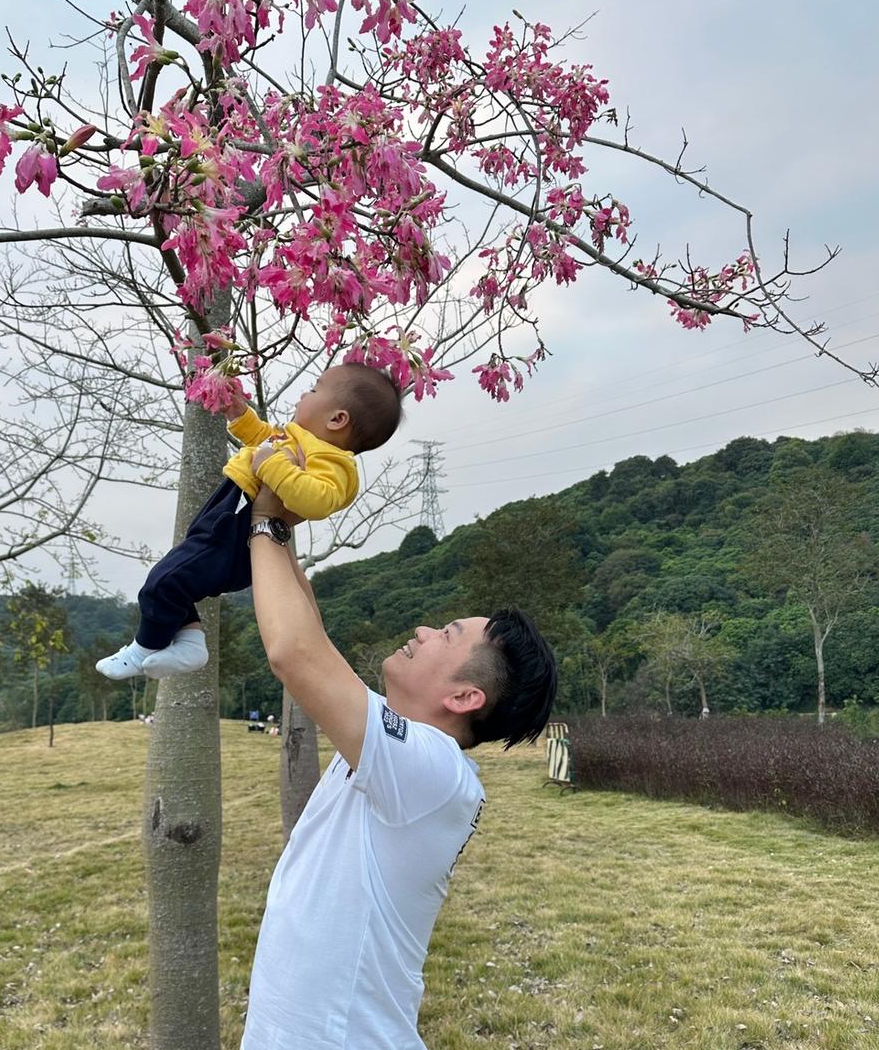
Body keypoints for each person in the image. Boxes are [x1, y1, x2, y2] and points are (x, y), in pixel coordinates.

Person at [241, 483, 558, 1050]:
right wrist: (282, 516)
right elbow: (310, 632)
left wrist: (262, 522)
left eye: (447, 634)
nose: (423, 631)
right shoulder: (394, 742)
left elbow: (292, 651)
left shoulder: (433, 770)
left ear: (464, 697)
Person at [96, 362, 402, 681]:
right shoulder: (300, 438)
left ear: (337, 419)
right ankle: (190, 642)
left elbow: (317, 499)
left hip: (238, 526)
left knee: (162, 581)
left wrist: (271, 465)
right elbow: (262, 438)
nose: (302, 394)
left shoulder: (334, 462)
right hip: (228, 508)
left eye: (313, 389)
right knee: (175, 579)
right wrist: (240, 415)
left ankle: (144, 648)